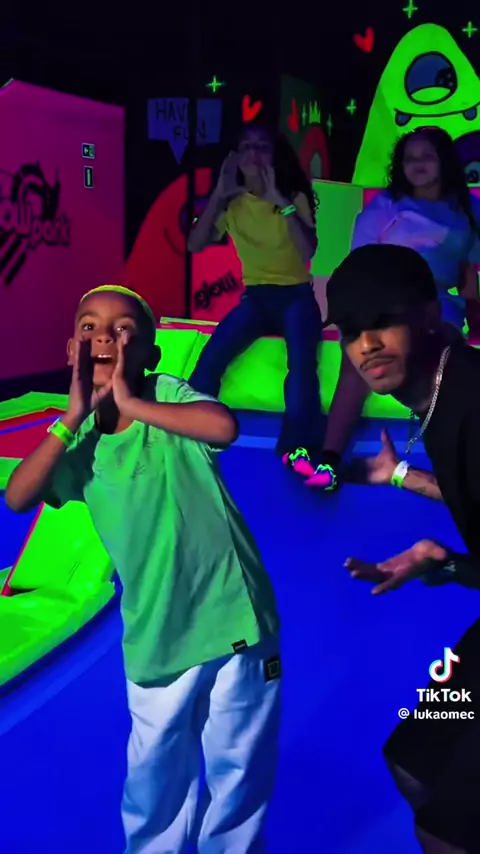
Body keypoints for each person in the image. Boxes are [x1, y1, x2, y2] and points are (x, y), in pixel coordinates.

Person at [5, 285, 281, 854]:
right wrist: (71, 417)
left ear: (150, 354)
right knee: (154, 776)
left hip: (236, 618)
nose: (105, 336)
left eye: (123, 328)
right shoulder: (79, 442)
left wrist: (130, 403)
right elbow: (18, 497)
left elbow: (223, 427)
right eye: (89, 327)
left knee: (239, 767)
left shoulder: (167, 395)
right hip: (157, 634)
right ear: (71, 351)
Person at [326, 244, 480, 853]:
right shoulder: (442, 393)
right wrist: (402, 477)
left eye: (382, 322)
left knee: (445, 827)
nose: (367, 345)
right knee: (415, 759)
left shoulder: (472, 402)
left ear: (428, 315)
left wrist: (451, 565)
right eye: (351, 332)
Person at [306, 127, 480, 493]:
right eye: (409, 158)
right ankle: (330, 460)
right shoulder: (387, 205)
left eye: (426, 156)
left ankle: (459, 460)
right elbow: (361, 260)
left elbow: (467, 273)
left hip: (436, 302)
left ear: (444, 161)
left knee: (449, 363)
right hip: (382, 297)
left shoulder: (467, 211)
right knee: (354, 365)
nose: (417, 164)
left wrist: (475, 314)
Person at [187, 124, 323, 476]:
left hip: (295, 295)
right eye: (246, 147)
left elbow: (307, 251)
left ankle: (297, 447)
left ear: (274, 155)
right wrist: (218, 195)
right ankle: (193, 428)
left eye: (262, 147)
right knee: (212, 357)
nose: (253, 154)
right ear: (235, 157)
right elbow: (194, 244)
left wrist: (280, 201)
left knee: (301, 369)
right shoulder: (232, 203)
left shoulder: (293, 196)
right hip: (256, 298)